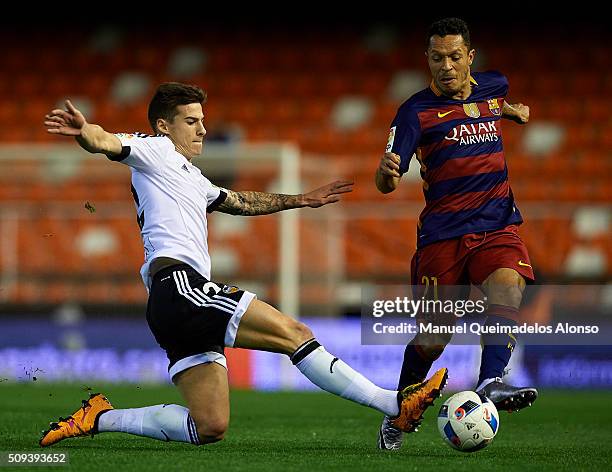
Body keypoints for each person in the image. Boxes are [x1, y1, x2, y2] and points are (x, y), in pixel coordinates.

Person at [40, 83, 448, 448]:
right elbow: (105, 141)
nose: (202, 129)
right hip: (181, 286)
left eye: (203, 120)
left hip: (169, 303)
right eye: (191, 121)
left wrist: (299, 199)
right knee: (296, 334)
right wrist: (85, 132)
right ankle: (393, 403)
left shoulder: (191, 177)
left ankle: (100, 417)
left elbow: (238, 202)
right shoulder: (153, 149)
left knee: (209, 426)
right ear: (164, 126)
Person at [375, 18, 538, 450]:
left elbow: (486, 102)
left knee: (507, 284)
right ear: (426, 59)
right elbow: (387, 182)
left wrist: (509, 108)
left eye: (453, 57)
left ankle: (490, 383)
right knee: (432, 340)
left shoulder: (494, 85)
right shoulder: (414, 111)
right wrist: (386, 174)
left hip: (497, 224)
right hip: (443, 237)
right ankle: (400, 412)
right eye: (435, 57)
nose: (445, 66)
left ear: (470, 57)